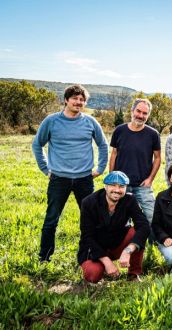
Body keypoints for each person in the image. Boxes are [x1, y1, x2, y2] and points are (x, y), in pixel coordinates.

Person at [32, 84, 108, 262]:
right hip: (59, 179)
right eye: (75, 98)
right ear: (66, 100)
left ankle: (88, 256)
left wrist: (100, 168)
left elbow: (103, 145)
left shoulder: (90, 122)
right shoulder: (51, 121)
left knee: (90, 220)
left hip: (84, 179)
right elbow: (37, 144)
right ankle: (45, 257)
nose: (78, 102)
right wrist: (45, 169)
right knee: (51, 219)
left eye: (82, 100)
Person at [78, 171, 150, 283]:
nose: (117, 190)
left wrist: (128, 250)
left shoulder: (130, 200)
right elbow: (87, 237)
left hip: (117, 243)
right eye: (113, 185)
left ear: (126, 188)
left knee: (137, 231)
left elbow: (144, 226)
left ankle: (133, 274)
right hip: (95, 248)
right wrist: (106, 261)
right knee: (93, 275)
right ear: (105, 186)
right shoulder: (89, 202)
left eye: (121, 186)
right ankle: (102, 267)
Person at [109, 98, 161, 243]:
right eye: (138, 111)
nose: (141, 115)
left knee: (152, 215)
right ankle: (121, 244)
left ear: (148, 115)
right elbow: (114, 154)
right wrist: (112, 179)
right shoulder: (119, 130)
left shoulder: (153, 134)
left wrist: (150, 179)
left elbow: (157, 158)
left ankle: (154, 244)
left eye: (145, 113)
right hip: (121, 185)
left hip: (142, 184)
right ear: (132, 111)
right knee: (120, 217)